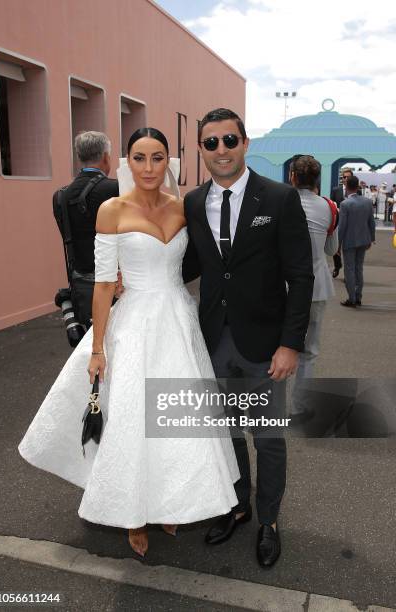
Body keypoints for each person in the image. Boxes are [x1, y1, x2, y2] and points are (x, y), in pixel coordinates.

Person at [19, 127, 239, 558]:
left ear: (168, 163)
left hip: (178, 322)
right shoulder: (111, 210)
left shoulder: (183, 208)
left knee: (174, 420)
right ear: (125, 162)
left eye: (157, 158)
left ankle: (167, 502)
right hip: (134, 324)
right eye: (139, 158)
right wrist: (98, 348)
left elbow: (206, 262)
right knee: (133, 422)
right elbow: (103, 286)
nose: (149, 167)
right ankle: (133, 516)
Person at [182, 108, 314, 568]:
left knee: (268, 439)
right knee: (225, 434)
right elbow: (193, 266)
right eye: (211, 143)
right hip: (213, 341)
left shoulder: (279, 198)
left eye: (229, 140)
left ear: (245, 142)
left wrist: (290, 343)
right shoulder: (194, 203)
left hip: (265, 347)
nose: (221, 150)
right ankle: (238, 505)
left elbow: (300, 276)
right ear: (201, 149)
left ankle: (269, 521)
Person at [287, 155, 338, 423]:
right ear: (317, 179)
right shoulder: (329, 207)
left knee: (273, 346)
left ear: (292, 176)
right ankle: (298, 408)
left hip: (281, 286)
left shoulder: (279, 201)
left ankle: (265, 407)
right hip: (316, 286)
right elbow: (331, 249)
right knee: (309, 351)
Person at [53, 131, 120, 329]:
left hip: (80, 286)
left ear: (79, 158)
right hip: (114, 285)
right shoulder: (115, 189)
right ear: (106, 157)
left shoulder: (60, 196)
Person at [338, 175, 375, 307]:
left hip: (349, 241)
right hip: (364, 240)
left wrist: (337, 244)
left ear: (346, 187)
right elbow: (371, 222)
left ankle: (351, 298)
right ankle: (358, 296)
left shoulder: (345, 204)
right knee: (359, 268)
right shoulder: (367, 202)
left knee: (349, 270)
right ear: (358, 186)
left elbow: (342, 227)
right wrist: (372, 238)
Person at [330, 167, 354, 278]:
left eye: (348, 177)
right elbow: (332, 205)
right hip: (338, 223)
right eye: (344, 177)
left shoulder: (356, 191)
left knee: (348, 249)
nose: (345, 179)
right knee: (336, 247)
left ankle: (348, 273)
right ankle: (337, 265)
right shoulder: (336, 190)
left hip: (350, 224)